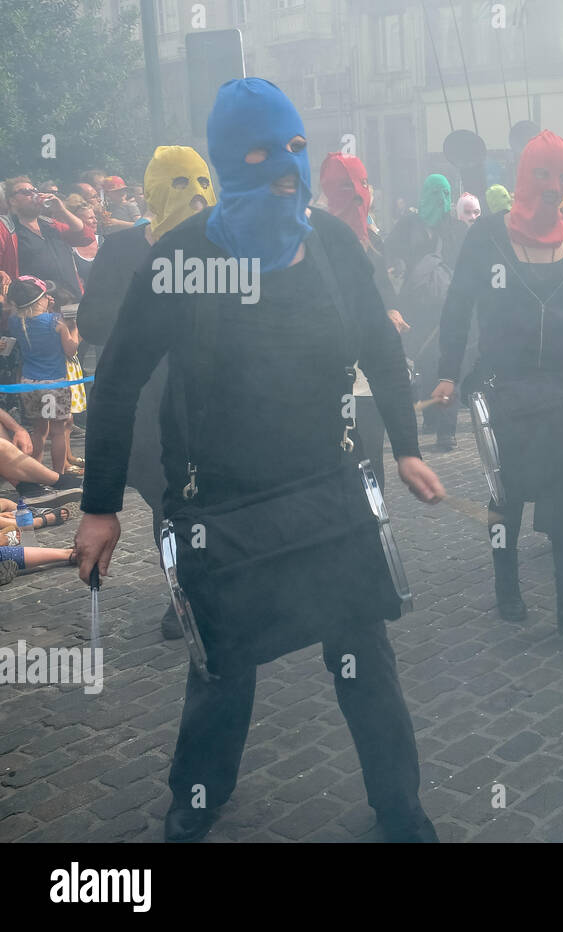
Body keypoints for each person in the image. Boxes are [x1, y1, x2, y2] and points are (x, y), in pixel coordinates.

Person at [73, 78, 445, 843]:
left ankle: (400, 809)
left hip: (327, 490)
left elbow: (378, 342)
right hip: (221, 507)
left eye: (299, 150)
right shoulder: (181, 258)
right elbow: (116, 384)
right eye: (263, 154)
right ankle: (194, 805)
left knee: (364, 658)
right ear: (229, 162)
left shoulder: (334, 244)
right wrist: (101, 505)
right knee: (222, 672)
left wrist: (406, 446)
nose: (288, 170)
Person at [431, 130, 563, 641]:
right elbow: (458, 307)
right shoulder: (485, 235)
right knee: (509, 494)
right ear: (525, 176)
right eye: (544, 174)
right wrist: (445, 370)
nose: (554, 186)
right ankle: (507, 583)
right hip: (504, 383)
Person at [78, 144, 217, 642]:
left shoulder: (224, 247)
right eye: (180, 184)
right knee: (169, 502)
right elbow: (91, 323)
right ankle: (184, 594)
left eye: (202, 181)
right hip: (148, 406)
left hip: (212, 402)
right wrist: (146, 319)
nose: (196, 196)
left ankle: (216, 586)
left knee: (214, 499)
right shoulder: (120, 250)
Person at [319, 150, 409, 491]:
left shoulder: (373, 239)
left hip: (369, 375)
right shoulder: (314, 240)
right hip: (330, 370)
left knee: (371, 455)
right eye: (346, 186)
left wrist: (393, 311)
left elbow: (384, 290)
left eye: (364, 184)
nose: (359, 194)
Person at [389, 173, 466, 442]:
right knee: (424, 363)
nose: (441, 200)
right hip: (417, 309)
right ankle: (432, 419)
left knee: (447, 366)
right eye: (436, 193)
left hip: (448, 309)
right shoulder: (407, 225)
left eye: (445, 194)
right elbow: (392, 261)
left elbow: (467, 267)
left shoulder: (455, 229)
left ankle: (447, 431)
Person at [7, 278, 79, 475]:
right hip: (55, 383)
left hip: (30, 384)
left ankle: (36, 474)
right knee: (57, 432)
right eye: (45, 295)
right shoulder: (56, 321)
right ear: (38, 301)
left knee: (39, 432)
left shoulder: (15, 322)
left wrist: (45, 308)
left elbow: (30, 318)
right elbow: (71, 350)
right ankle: (58, 475)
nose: (50, 297)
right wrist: (74, 327)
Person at [3, 176, 91, 297]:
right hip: (36, 307)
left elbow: (86, 237)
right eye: (26, 192)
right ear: (12, 200)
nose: (34, 195)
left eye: (35, 190)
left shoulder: (51, 224)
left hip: (72, 299)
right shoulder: (6, 228)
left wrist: (62, 210)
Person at [65, 194, 102, 287]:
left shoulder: (104, 242)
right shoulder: (68, 248)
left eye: (95, 217)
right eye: (90, 218)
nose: (95, 221)